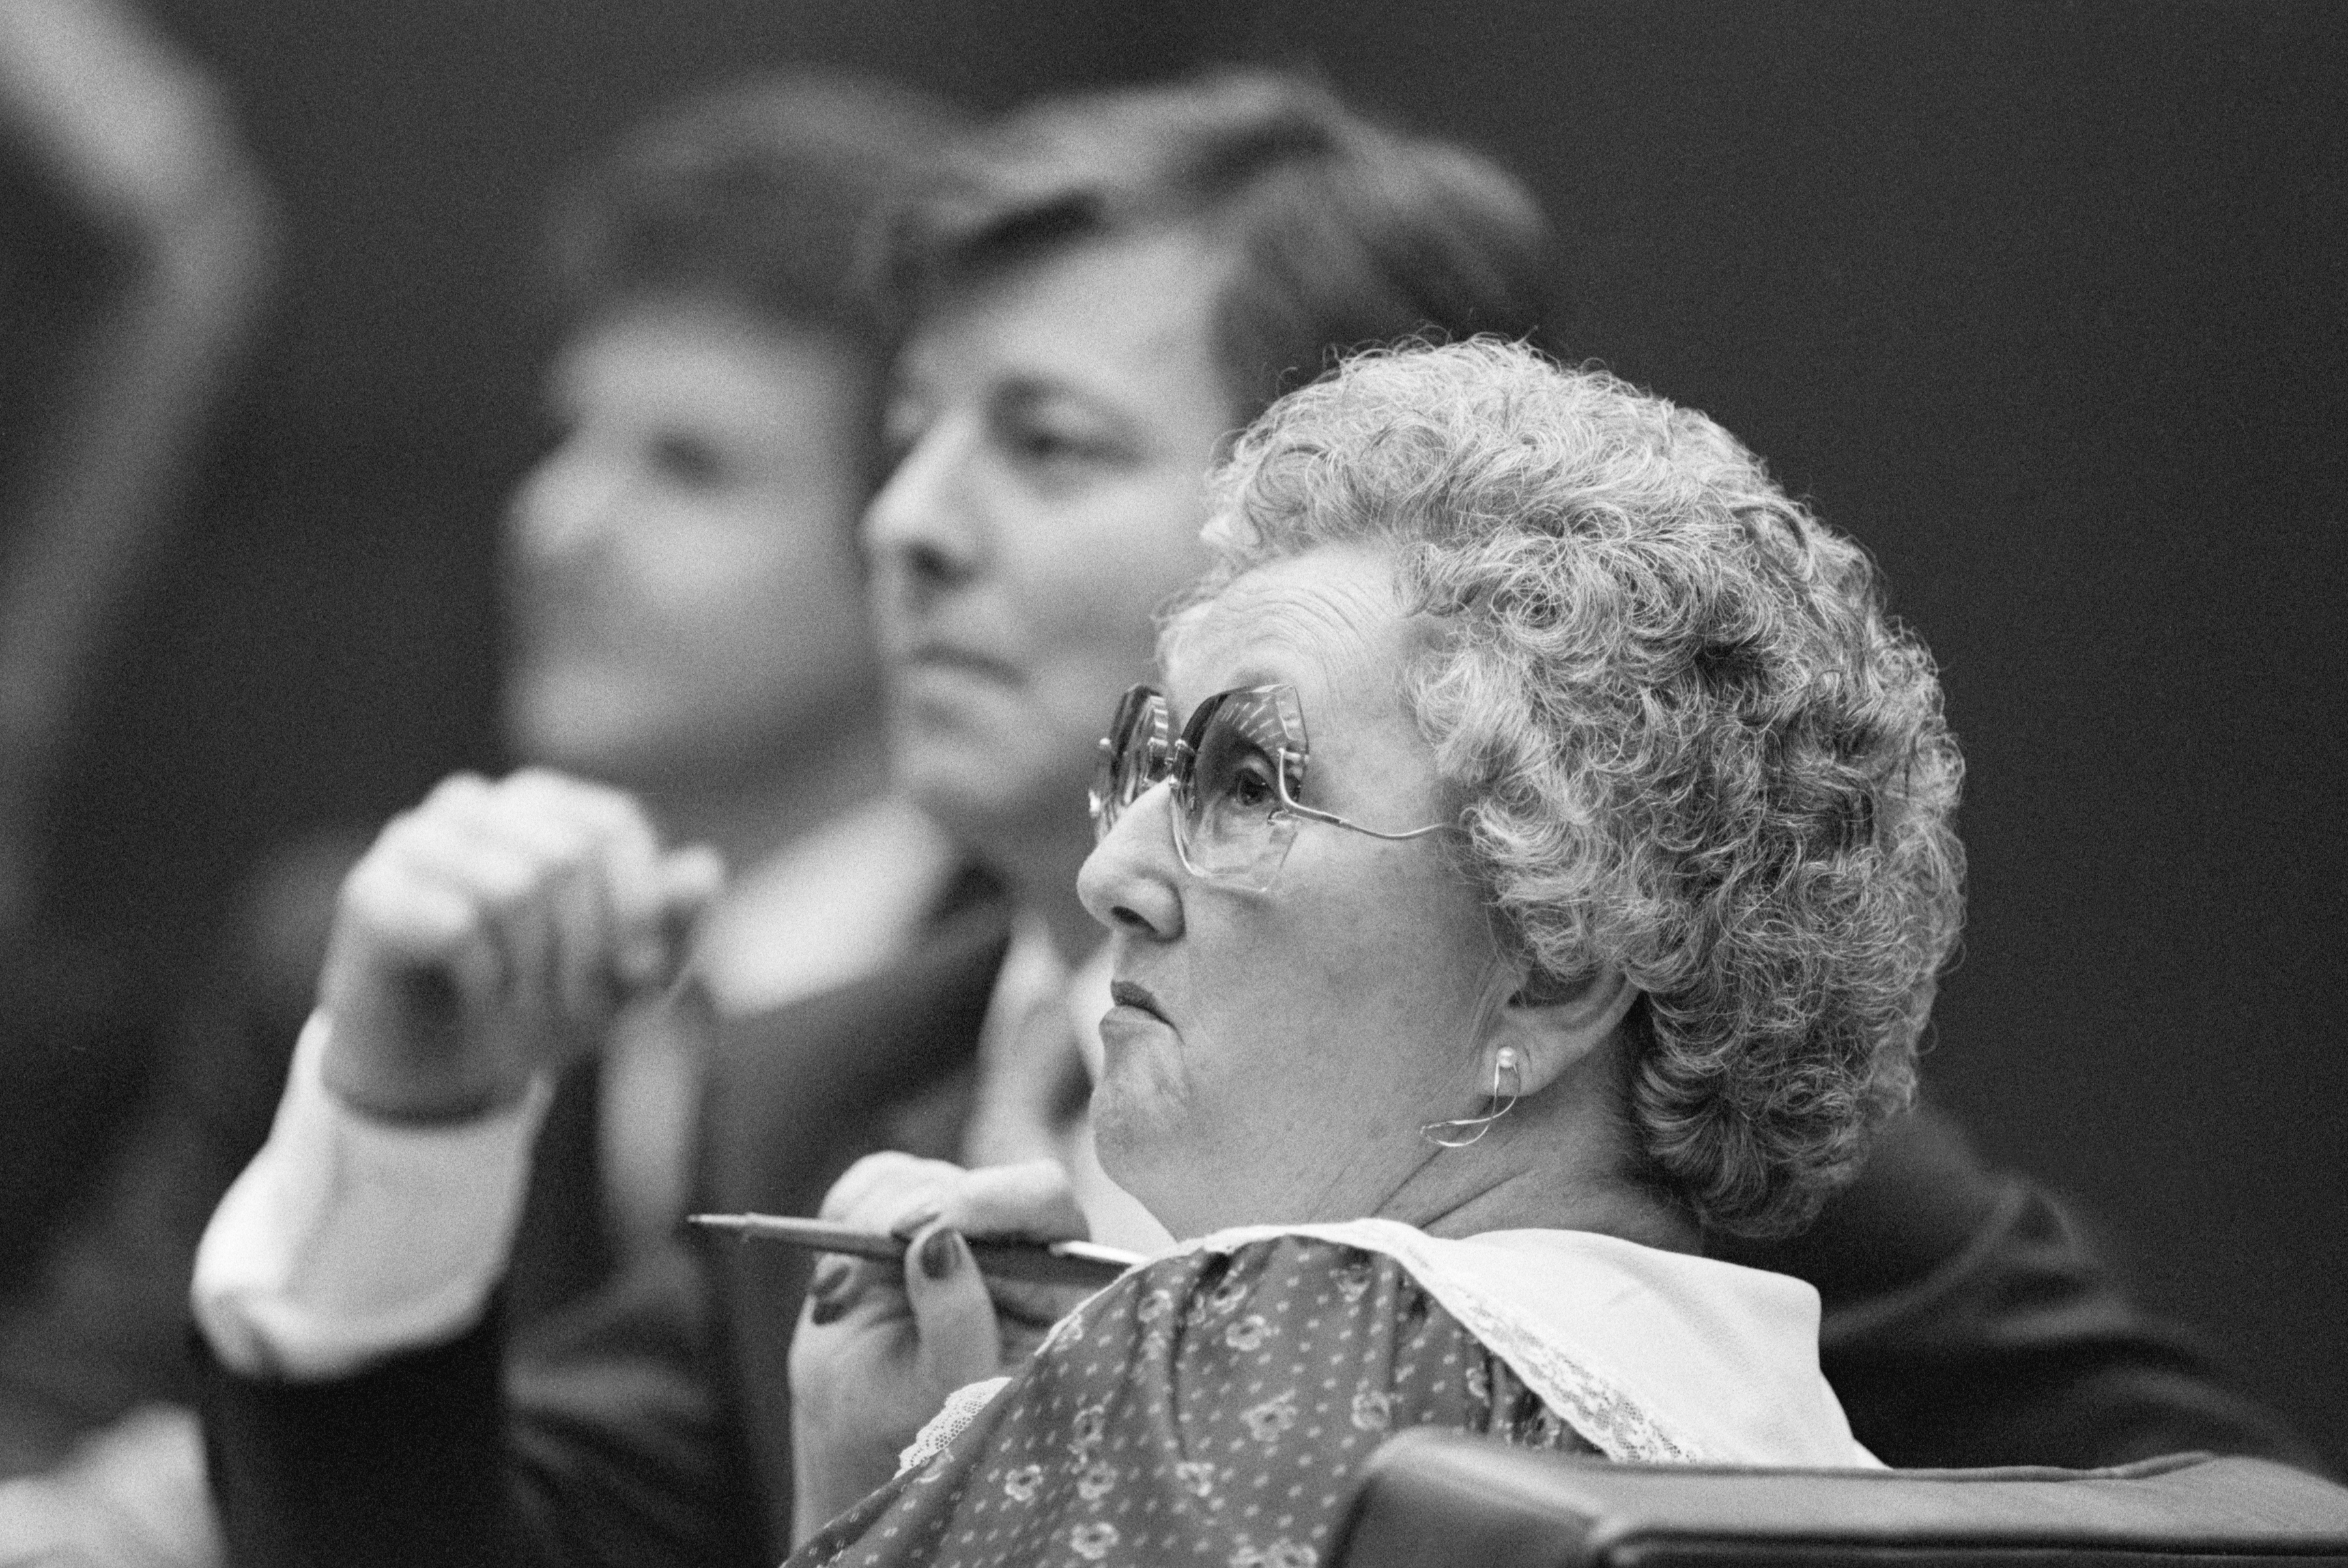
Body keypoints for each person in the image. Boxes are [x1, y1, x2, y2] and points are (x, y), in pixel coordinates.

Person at [192, 68, 2321, 1568]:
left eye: (1040, 440)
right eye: (909, 432)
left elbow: (2222, 1517)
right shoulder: (814, 1074)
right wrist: (413, 1119)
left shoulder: (1718, 1153)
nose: (904, 525)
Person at [0, 69, 964, 1563]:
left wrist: (198, 1495)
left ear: (920, 534)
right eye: (568, 436)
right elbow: (58, 1408)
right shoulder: (354, 944)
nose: (558, 522)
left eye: (687, 467)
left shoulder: (1023, 1002)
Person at [784, 335, 1950, 1560]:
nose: (1110, 877)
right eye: (1150, 766)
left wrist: (857, 1494)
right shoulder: (1804, 1448)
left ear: (1554, 965)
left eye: (1249, 787)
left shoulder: (1256, 1350)